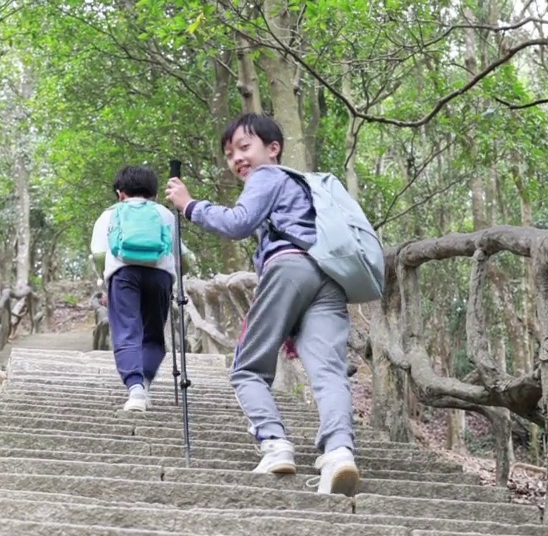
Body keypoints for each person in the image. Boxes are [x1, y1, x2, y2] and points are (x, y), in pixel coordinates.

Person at [163, 113, 360, 496]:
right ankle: (339, 452)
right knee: (328, 372)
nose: (236, 158)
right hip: (330, 275)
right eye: (229, 153)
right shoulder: (305, 188)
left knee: (247, 369)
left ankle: (274, 444)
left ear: (273, 149)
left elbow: (238, 221)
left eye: (244, 146)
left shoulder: (268, 176)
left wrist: (189, 205)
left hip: (290, 268)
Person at [90, 165, 189, 412]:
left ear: (120, 193)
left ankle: (135, 390)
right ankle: (144, 382)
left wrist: (103, 283)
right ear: (154, 194)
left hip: (123, 275)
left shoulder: (109, 215)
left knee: (126, 330)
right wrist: (178, 277)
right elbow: (184, 257)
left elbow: (99, 254)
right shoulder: (165, 214)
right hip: (160, 277)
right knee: (153, 334)